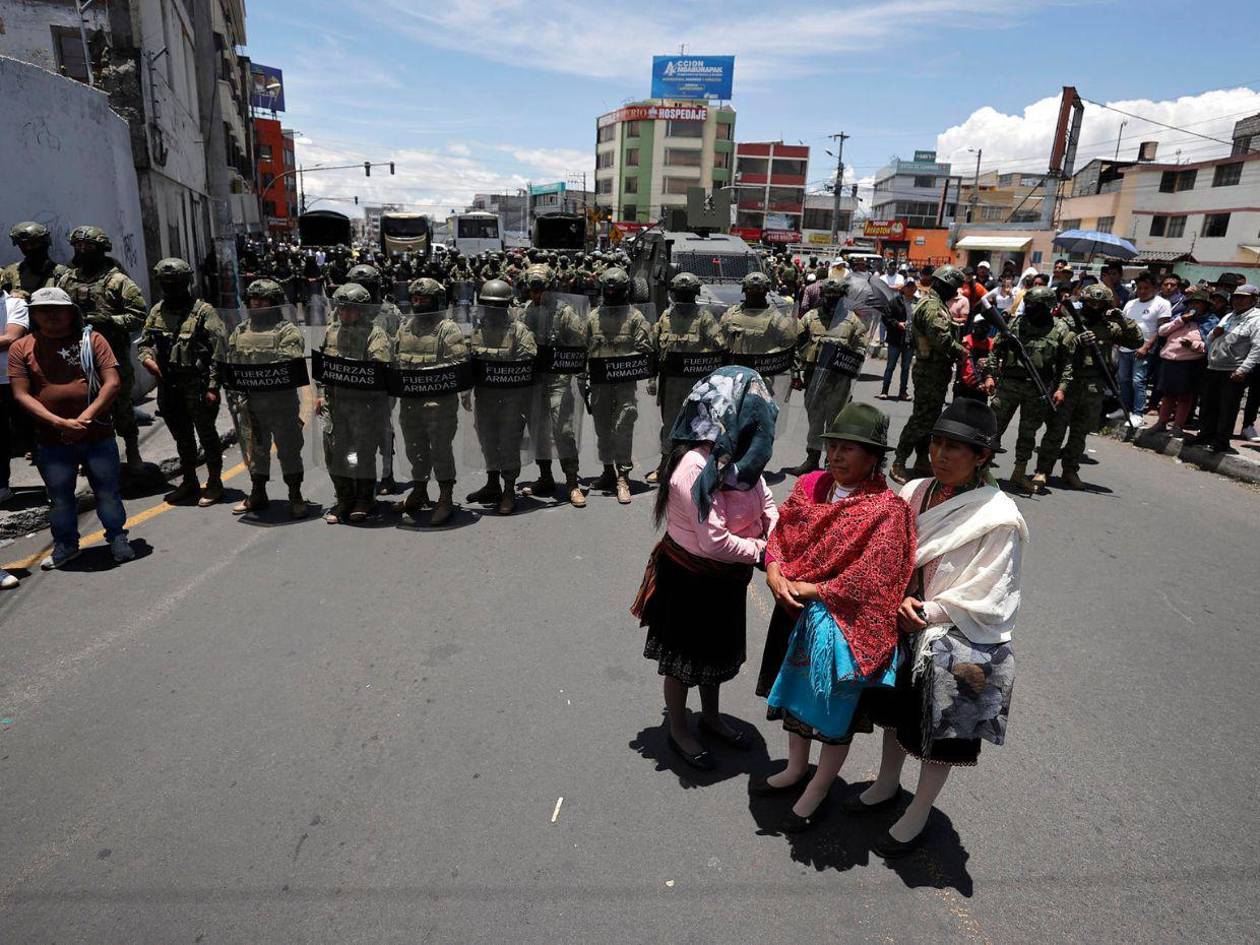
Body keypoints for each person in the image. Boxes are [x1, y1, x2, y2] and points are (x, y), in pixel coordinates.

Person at [847, 399, 1027, 857]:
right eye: (937, 442)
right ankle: (887, 782)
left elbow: (989, 588)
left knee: (940, 730)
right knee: (893, 712)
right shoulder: (915, 491)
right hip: (901, 616)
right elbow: (888, 549)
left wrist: (929, 612)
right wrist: (895, 596)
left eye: (955, 447)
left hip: (953, 631)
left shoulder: (998, 516)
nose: (940, 455)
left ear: (982, 456)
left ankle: (919, 810)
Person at [754, 403, 915, 832]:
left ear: (874, 457)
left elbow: (874, 577)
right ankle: (795, 767)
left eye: (849, 448)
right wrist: (773, 570)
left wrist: (812, 589)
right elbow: (780, 535)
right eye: (833, 446)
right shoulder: (809, 486)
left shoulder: (887, 510)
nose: (837, 456)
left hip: (841, 627)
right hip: (794, 612)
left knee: (833, 711)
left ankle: (819, 785)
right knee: (793, 695)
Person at [631, 367, 780, 771]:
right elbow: (714, 541)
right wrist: (764, 551)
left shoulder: (741, 458)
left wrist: (775, 531)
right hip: (691, 580)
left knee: (714, 656)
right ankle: (679, 729)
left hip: (727, 577)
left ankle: (711, 718)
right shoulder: (694, 468)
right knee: (684, 661)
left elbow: (766, 501)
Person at [8, 287, 134, 570]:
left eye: (57, 309)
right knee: (60, 498)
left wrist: (85, 418)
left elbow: (112, 382)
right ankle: (66, 545)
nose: (50, 315)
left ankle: (117, 537)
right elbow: (21, 394)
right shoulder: (21, 347)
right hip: (51, 439)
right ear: (33, 315)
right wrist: (59, 423)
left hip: (97, 433)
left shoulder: (92, 339)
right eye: (42, 310)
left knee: (107, 492)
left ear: (70, 313)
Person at [1034, 285, 1142, 490]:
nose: (1095, 307)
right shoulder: (1068, 322)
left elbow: (1136, 341)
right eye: (1091, 303)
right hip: (1067, 382)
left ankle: (1070, 470)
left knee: (1080, 432)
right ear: (1083, 302)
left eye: (1100, 304)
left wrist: (1124, 320)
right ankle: (1043, 470)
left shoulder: (1109, 327)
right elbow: (1054, 346)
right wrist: (1076, 340)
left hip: (1093, 386)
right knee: (1056, 430)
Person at [138, 258, 228, 506]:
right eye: (166, 283)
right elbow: (144, 343)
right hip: (168, 384)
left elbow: (219, 351)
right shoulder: (157, 311)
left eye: (176, 283)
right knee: (182, 437)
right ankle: (189, 482)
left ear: (186, 282)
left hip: (196, 384)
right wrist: (148, 361)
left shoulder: (204, 312)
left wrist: (213, 386)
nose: (171, 288)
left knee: (207, 436)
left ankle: (214, 483)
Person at [225, 279, 309, 518]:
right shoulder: (241, 331)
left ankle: (295, 495)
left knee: (289, 450)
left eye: (263, 300)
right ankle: (257, 493)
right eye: (254, 300)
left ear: (274, 303)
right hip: (252, 404)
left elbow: (289, 363)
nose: (258, 304)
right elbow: (232, 361)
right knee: (256, 451)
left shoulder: (287, 331)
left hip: (281, 404)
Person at [391, 278, 468, 525]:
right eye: (415, 299)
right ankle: (419, 490)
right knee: (414, 448)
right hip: (410, 402)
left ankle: (445, 497)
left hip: (438, 404)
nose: (418, 303)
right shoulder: (404, 328)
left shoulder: (448, 329)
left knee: (440, 450)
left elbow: (459, 364)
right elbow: (394, 361)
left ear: (435, 302)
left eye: (424, 299)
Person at [982, 285, 1071, 492]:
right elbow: (996, 350)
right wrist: (989, 375)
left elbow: (1067, 363)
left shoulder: (1060, 329)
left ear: (1048, 306)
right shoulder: (1016, 323)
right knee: (993, 428)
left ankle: (1019, 472)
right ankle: (981, 470)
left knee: (1028, 434)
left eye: (1035, 305)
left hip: (1038, 388)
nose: (1030, 308)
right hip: (1009, 384)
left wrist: (1062, 388)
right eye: (1027, 303)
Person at [316, 283, 392, 523]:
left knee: (363, 454)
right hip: (335, 404)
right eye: (341, 308)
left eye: (350, 309)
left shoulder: (375, 334)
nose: (344, 313)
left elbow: (379, 369)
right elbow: (323, 366)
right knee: (334, 453)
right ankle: (344, 499)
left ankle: (364, 499)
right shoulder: (331, 331)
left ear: (362, 310)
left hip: (363, 406)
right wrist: (320, 393)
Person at [463, 278, 537, 514]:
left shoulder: (519, 331)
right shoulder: (477, 330)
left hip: (511, 399)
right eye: (488, 305)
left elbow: (528, 362)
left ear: (506, 305)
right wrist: (466, 390)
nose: (492, 310)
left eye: (497, 305)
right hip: (485, 397)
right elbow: (468, 362)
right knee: (488, 441)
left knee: (508, 442)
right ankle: (492, 484)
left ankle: (509, 489)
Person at [519, 264, 588, 506]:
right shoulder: (525, 312)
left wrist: (580, 374)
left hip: (558, 380)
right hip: (534, 380)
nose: (536, 295)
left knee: (563, 430)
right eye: (533, 290)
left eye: (541, 290)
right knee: (538, 431)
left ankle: (572, 482)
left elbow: (581, 344)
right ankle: (545, 477)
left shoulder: (565, 313)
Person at [647, 271, 725, 485]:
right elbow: (654, 348)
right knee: (670, 424)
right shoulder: (666, 317)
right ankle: (665, 466)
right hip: (671, 381)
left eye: (687, 293)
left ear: (695, 294)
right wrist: (651, 378)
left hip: (697, 383)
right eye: (679, 293)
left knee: (700, 424)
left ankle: (697, 466)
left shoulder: (704, 318)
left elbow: (720, 344)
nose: (682, 297)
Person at [891, 264, 966, 483]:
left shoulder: (935, 304)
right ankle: (899, 461)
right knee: (922, 418)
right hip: (930, 371)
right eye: (954, 287)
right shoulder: (933, 307)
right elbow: (941, 339)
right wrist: (961, 352)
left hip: (935, 370)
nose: (955, 292)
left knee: (930, 418)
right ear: (945, 285)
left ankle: (922, 459)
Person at [584, 267, 652, 505]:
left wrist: (625, 361)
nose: (612, 294)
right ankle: (607, 472)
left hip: (624, 384)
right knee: (602, 429)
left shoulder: (635, 318)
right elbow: (583, 349)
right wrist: (582, 378)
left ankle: (623, 476)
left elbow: (646, 350)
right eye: (609, 290)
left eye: (617, 290)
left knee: (623, 427)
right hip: (600, 384)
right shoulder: (593, 317)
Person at [788, 279, 866, 476]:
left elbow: (861, 348)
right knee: (815, 421)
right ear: (822, 296)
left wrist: (848, 358)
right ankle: (812, 458)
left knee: (835, 422)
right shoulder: (810, 318)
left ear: (842, 298)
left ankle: (832, 462)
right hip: (813, 378)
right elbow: (795, 344)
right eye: (828, 297)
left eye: (836, 298)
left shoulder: (852, 321)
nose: (831, 301)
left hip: (839, 381)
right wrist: (796, 372)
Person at [1190, 284, 1260, 454]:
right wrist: (1214, 334)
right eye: (1236, 297)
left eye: (1243, 298)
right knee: (1209, 405)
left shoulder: (1256, 319)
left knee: (1227, 408)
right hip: (1214, 366)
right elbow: (1211, 338)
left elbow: (1257, 348)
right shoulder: (1229, 316)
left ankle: (1220, 442)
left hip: (1233, 369)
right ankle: (1205, 436)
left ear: (1253, 300)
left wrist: (1243, 369)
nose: (1238, 301)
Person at [1150, 287, 1208, 436]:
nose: (1194, 306)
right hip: (1169, 360)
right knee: (1168, 394)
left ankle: (1177, 426)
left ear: (1205, 306)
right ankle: (1161, 423)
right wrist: (1181, 320)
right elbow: (1162, 331)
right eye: (1192, 303)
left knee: (1184, 396)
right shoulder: (1180, 317)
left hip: (1189, 364)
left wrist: (1193, 345)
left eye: (1198, 303)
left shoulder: (1209, 322)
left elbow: (1210, 345)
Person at [1117, 273, 1172, 427]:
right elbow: (1123, 324)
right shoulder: (1130, 303)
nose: (1142, 291)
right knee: (1123, 379)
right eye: (1139, 288)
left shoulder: (1162, 304)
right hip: (1124, 348)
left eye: (1146, 288)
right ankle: (1125, 409)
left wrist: (1146, 346)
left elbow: (1161, 329)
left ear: (1155, 288)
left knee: (1138, 381)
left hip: (1144, 349)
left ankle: (1138, 414)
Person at [1, 287, 31, 508]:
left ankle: (55, 486)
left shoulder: (14, 304)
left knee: (32, 434)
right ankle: (2, 486)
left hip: (14, 379)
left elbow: (12, 337)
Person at [1, 222, 67, 299]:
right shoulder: (10, 273)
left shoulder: (63, 274)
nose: (29, 248)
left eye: (33, 243)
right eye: (24, 245)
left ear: (44, 242)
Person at [878, 279, 916, 401]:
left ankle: (903, 392)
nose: (911, 289)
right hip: (895, 339)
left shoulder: (918, 302)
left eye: (913, 286)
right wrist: (897, 324)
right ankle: (884, 390)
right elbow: (885, 317)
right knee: (890, 366)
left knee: (906, 368)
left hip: (910, 340)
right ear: (903, 288)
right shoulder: (895, 302)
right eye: (908, 286)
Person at [954, 316, 993, 402]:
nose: (984, 328)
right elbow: (967, 366)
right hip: (965, 387)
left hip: (982, 388)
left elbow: (994, 365)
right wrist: (978, 382)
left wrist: (990, 380)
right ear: (975, 326)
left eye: (987, 325)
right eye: (981, 325)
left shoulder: (991, 344)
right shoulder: (965, 341)